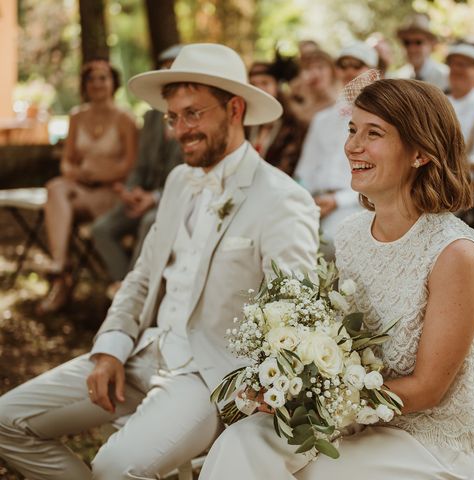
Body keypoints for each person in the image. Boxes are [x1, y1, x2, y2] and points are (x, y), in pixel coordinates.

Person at [0, 43, 319, 479]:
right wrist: (111, 347)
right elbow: (141, 277)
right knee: (6, 421)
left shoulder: (282, 199)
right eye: (172, 117)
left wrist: (261, 383)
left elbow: (298, 312)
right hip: (143, 351)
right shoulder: (177, 182)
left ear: (235, 109)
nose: (178, 130)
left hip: (208, 377)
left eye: (193, 114)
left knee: (111, 468)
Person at [200, 79, 474, 479]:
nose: (353, 146)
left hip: (425, 440)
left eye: (374, 133)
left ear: (421, 153)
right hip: (352, 417)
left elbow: (428, 389)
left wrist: (317, 398)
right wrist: (285, 380)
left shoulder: (455, 253)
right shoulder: (352, 234)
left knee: (311, 475)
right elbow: (338, 338)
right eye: (353, 129)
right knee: (242, 441)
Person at [37, 59, 138, 315]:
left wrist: (101, 175)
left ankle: (62, 283)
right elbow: (67, 162)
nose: (97, 83)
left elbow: (130, 165)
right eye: (91, 78)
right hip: (81, 189)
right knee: (56, 188)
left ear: (113, 82)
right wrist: (79, 174)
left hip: (111, 192)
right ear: (84, 85)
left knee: (62, 199)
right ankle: (61, 265)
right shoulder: (77, 116)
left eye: (103, 77)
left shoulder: (125, 118)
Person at [91, 45, 184, 293]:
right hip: (143, 196)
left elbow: (190, 176)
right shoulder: (152, 117)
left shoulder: (192, 119)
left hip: (176, 199)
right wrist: (131, 191)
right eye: (164, 71)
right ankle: (125, 285)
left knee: (149, 222)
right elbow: (141, 164)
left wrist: (153, 199)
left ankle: (136, 290)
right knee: (101, 229)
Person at [294, 42, 378, 259]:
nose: (349, 71)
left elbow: (379, 176)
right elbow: (304, 172)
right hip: (316, 203)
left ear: (372, 72)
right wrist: (304, 201)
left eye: (357, 65)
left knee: (328, 243)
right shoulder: (322, 119)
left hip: (356, 204)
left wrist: (338, 200)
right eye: (343, 65)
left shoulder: (380, 121)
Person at [247, 54, 307, 176]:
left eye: (265, 83)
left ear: (277, 86)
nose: (259, 89)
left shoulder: (294, 125)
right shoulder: (245, 123)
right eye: (253, 84)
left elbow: (288, 167)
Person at [394, 13, 449, 90]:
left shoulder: (446, 76)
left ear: (431, 44)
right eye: (407, 43)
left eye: (418, 42)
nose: (411, 49)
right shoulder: (399, 77)